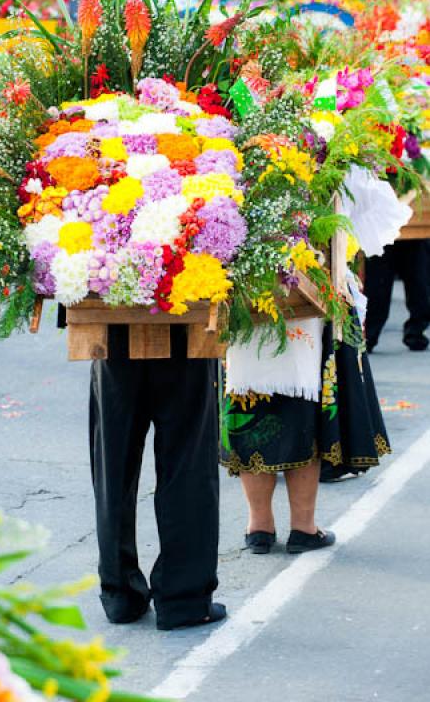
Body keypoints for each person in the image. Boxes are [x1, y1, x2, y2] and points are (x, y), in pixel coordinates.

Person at [87, 323, 225, 630]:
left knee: (114, 463)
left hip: (114, 318)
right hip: (185, 321)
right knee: (187, 461)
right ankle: (184, 598)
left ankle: (119, 591)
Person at [220, 318, 389, 554]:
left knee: (250, 403)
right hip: (303, 315)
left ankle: (260, 528)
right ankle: (303, 527)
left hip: (248, 315)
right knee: (302, 407)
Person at [364, 239, 430, 352]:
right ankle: (368, 335)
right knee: (377, 287)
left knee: (420, 283)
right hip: (381, 232)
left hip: (416, 233)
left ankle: (416, 332)